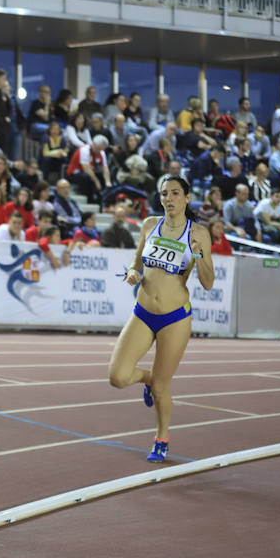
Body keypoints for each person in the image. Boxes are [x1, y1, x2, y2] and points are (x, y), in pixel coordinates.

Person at [108, 175, 214, 462]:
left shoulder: (199, 233)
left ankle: (161, 437)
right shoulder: (149, 225)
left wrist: (199, 252)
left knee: (162, 388)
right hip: (142, 313)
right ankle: (147, 379)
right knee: (117, 377)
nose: (169, 198)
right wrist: (133, 272)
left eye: (175, 193)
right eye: (165, 193)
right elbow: (137, 260)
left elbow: (207, 282)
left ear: (187, 198)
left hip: (174, 318)